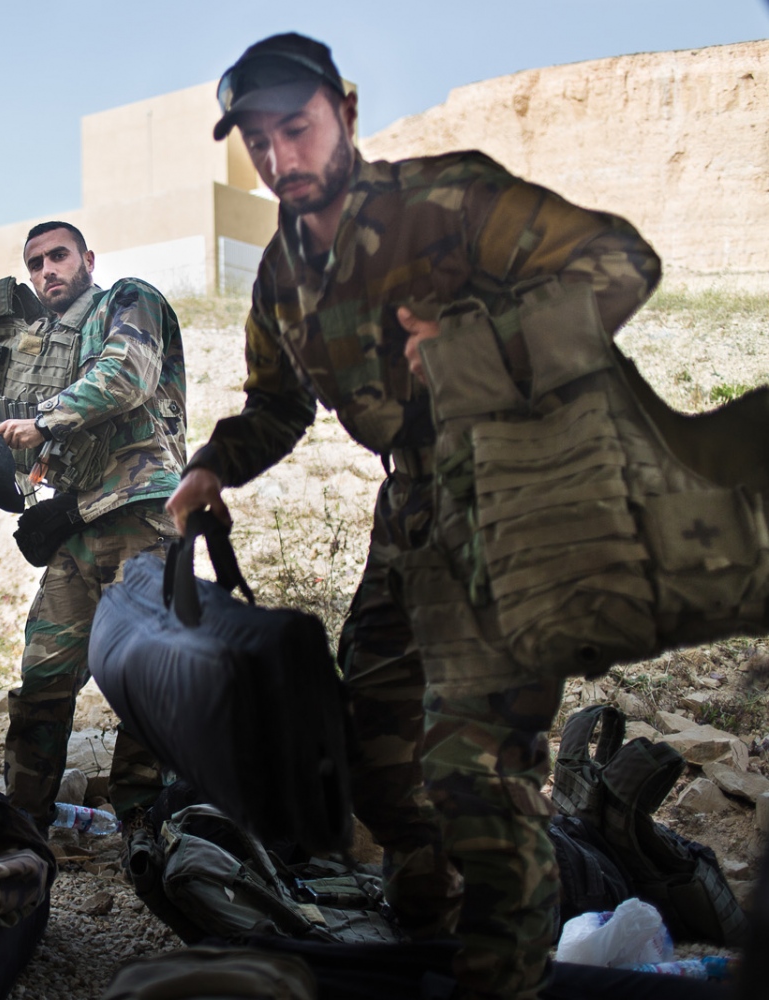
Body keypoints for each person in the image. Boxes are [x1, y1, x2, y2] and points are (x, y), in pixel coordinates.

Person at [166, 33, 661, 1000]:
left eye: (295, 129)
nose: (277, 157)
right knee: (375, 758)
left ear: (345, 113)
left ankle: (517, 954)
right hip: (412, 515)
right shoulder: (281, 272)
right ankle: (430, 941)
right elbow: (277, 405)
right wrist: (209, 469)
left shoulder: (446, 201)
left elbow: (620, 264)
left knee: (478, 777)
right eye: (257, 142)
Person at [0, 220, 186, 831]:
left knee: (147, 678)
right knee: (44, 678)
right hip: (77, 524)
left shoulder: (128, 299)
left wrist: (45, 420)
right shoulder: (50, 344)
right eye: (35, 264)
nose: (46, 270)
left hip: (140, 518)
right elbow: (52, 448)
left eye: (58, 256)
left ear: (88, 259)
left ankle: (143, 826)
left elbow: (127, 376)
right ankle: (25, 818)